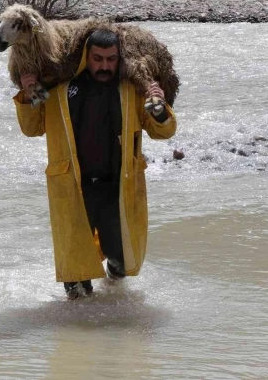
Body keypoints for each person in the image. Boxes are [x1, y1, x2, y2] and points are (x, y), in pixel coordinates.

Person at [13, 28, 177, 300]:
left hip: (117, 186)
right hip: (74, 188)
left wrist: (159, 109)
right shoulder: (60, 90)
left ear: (120, 58)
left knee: (124, 258)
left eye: (111, 59)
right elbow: (33, 129)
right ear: (85, 57)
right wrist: (28, 93)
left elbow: (163, 132)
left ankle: (113, 297)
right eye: (98, 58)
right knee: (76, 275)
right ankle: (78, 330)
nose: (104, 66)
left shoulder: (131, 90)